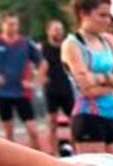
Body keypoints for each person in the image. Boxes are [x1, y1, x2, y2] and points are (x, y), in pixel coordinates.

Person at [61, 0, 113, 154]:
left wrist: (99, 78)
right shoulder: (72, 44)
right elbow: (88, 90)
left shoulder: (110, 40)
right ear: (83, 14)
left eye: (109, 15)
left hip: (112, 113)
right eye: (102, 15)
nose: (107, 20)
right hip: (88, 117)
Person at [0, 12, 42, 150]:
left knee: (33, 131)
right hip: (3, 94)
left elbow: (41, 63)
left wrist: (34, 81)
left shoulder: (26, 43)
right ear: (2, 25)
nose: (14, 27)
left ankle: (40, 162)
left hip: (22, 93)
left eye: (16, 24)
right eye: (10, 24)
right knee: (9, 135)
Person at [38, 19, 75, 156]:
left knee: (74, 120)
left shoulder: (66, 46)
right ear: (48, 31)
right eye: (55, 29)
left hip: (65, 87)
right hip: (51, 89)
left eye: (60, 29)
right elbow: (35, 66)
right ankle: (52, 152)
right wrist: (40, 78)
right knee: (52, 122)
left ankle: (73, 148)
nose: (59, 32)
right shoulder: (42, 48)